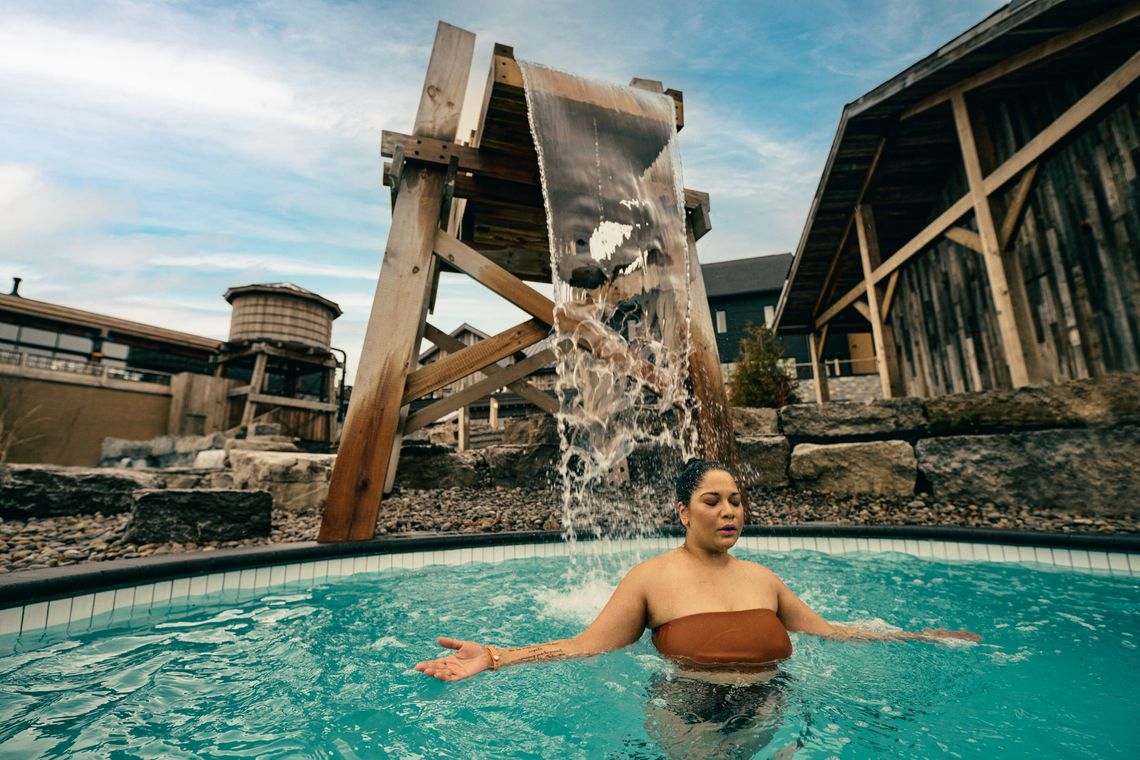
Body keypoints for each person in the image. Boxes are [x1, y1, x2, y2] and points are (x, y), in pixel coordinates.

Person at [414, 459, 980, 683]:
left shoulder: (764, 579)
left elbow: (831, 633)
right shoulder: (651, 579)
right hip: (689, 712)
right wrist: (495, 657)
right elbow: (587, 646)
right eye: (713, 501)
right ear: (684, 511)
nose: (729, 510)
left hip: (775, 703)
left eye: (736, 499)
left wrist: (918, 637)